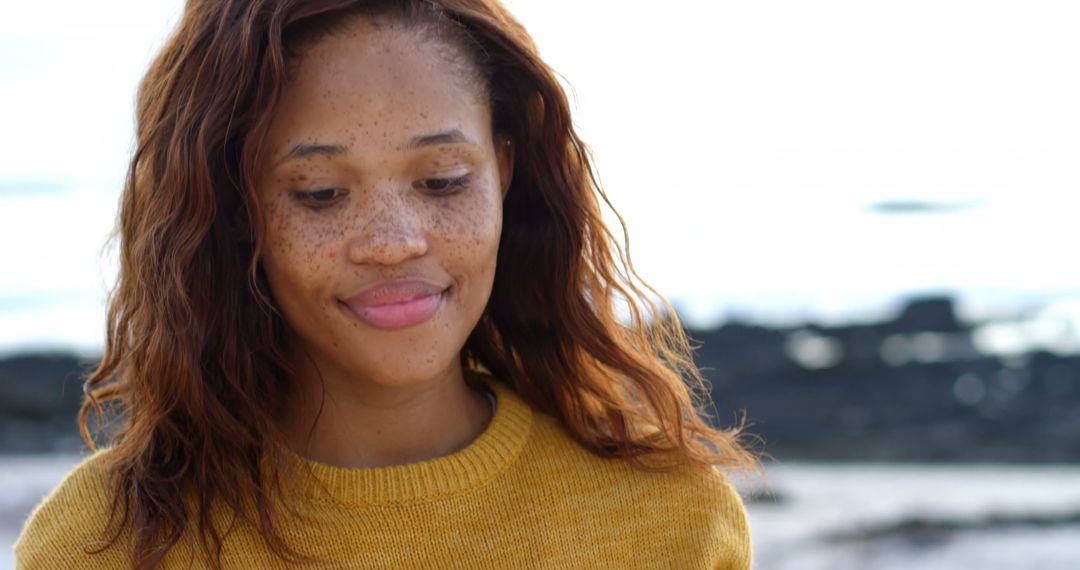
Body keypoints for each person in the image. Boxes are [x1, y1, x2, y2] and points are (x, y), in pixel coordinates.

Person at [15, 0, 757, 568]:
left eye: (442, 181)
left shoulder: (671, 523)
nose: (394, 241)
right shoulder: (102, 547)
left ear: (503, 170)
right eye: (318, 194)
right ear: (234, 210)